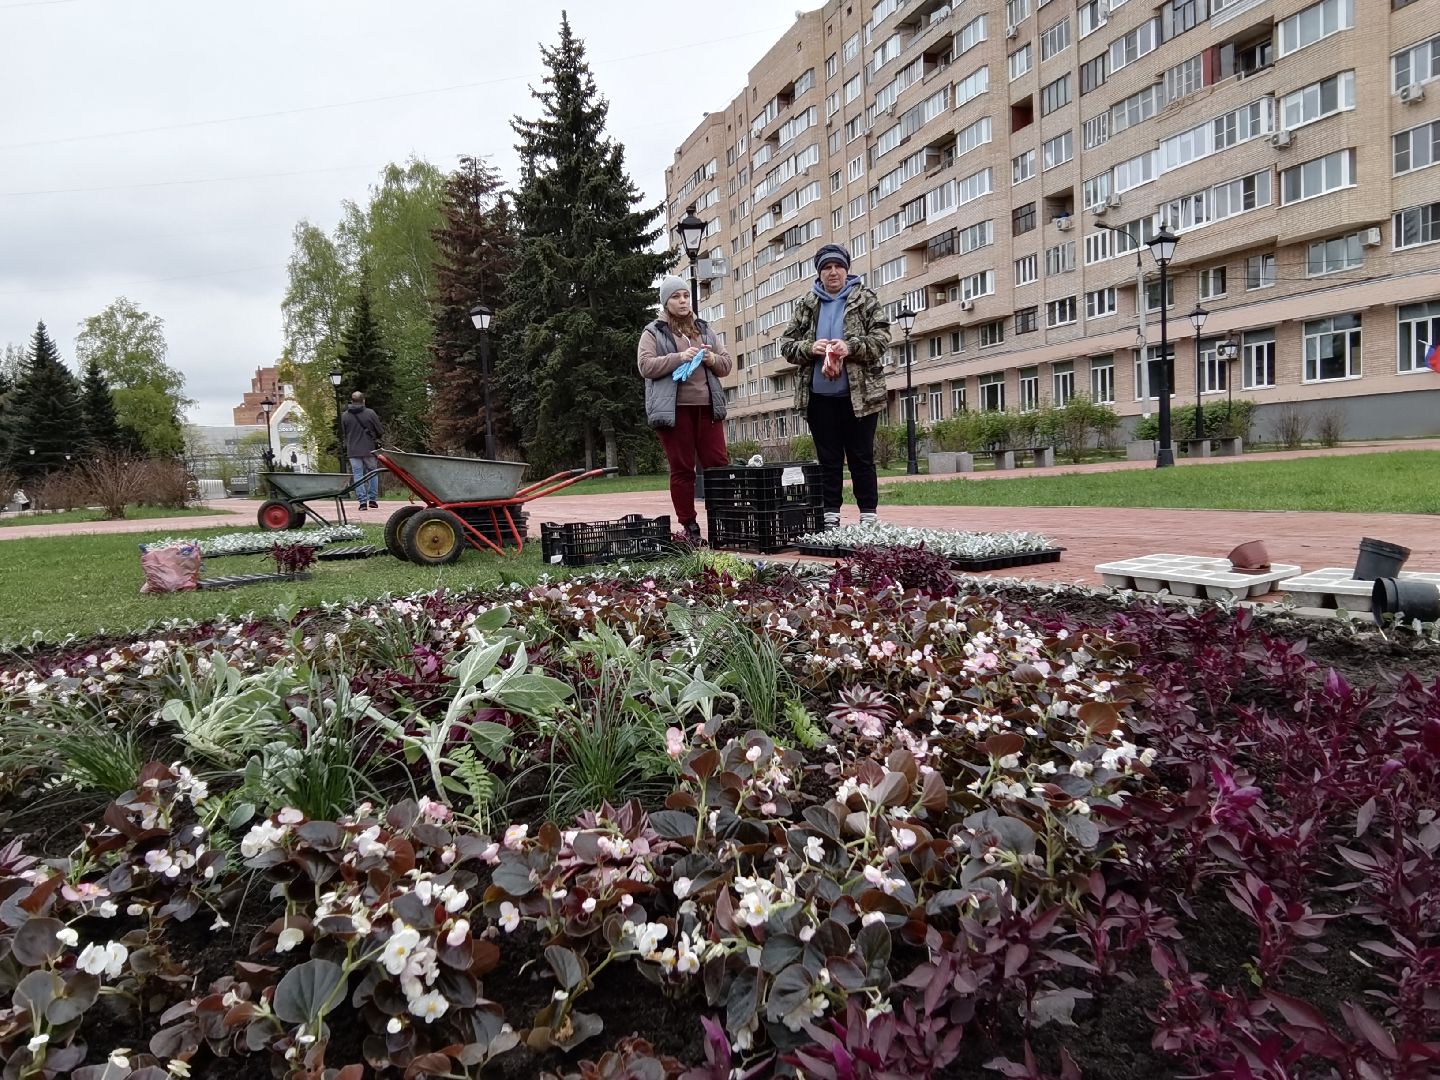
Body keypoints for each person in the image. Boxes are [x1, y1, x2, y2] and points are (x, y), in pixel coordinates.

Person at [779, 242, 891, 530]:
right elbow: (788, 346)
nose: (833, 272)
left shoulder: (865, 299)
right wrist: (809, 347)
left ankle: (868, 515)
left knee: (861, 456)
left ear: (846, 269)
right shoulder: (807, 304)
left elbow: (882, 339)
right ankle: (830, 515)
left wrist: (850, 346)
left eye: (838, 266)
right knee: (828, 459)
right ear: (819, 273)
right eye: (826, 267)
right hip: (819, 398)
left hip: (860, 397)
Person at [637, 275, 733, 543]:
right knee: (682, 469)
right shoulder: (654, 331)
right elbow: (646, 366)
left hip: (707, 408)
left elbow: (726, 364)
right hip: (675, 411)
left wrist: (711, 357)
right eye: (676, 297)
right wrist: (679, 357)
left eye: (685, 296)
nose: (682, 301)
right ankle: (689, 526)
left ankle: (722, 521)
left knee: (717, 466)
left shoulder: (704, 328)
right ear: (666, 302)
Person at [340, 391, 384, 509]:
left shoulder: (345, 416)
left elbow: (344, 432)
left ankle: (362, 502)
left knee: (358, 475)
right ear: (363, 400)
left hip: (353, 450)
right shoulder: (370, 413)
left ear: (352, 401)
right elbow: (380, 430)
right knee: (372, 473)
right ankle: (373, 500)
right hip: (369, 449)